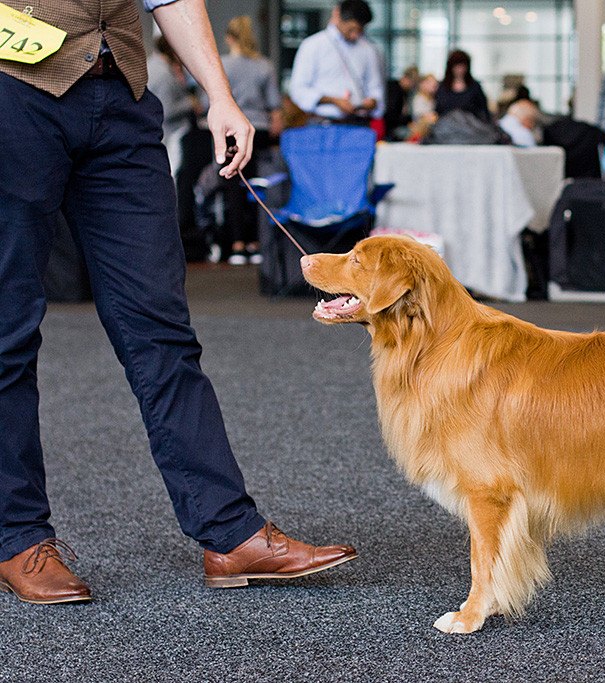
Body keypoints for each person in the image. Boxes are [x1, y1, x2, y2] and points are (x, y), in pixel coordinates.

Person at [0, 0, 356, 605]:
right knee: (8, 331)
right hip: (16, 95)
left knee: (161, 329)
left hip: (121, 103)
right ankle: (17, 536)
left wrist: (219, 93)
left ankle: (229, 532)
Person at [218, 15, 283, 265]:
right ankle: (257, 243)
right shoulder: (264, 66)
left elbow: (207, 103)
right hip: (259, 130)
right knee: (258, 186)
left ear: (228, 38)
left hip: (231, 130)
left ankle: (236, 244)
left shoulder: (222, 66)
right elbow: (275, 106)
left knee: (232, 186)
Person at [287, 0, 384, 125]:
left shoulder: (368, 50)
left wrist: (371, 102)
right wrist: (334, 101)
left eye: (359, 30)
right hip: (322, 124)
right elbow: (298, 90)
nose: (354, 35)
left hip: (357, 124)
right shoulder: (313, 45)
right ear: (338, 16)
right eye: (351, 29)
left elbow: (375, 90)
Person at [146, 34, 197, 183]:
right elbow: (166, 109)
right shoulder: (164, 74)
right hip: (168, 135)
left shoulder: (152, 66)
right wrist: (190, 103)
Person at [435, 50, 491, 122]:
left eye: (462, 66)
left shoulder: (474, 87)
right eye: (457, 66)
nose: (460, 69)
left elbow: (483, 111)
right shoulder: (443, 87)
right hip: (446, 128)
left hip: (470, 128)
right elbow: (438, 110)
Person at [383, 65, 419, 140]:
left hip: (397, 125)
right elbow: (391, 115)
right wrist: (406, 123)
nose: (412, 87)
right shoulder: (393, 90)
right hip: (390, 128)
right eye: (413, 84)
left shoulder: (405, 93)